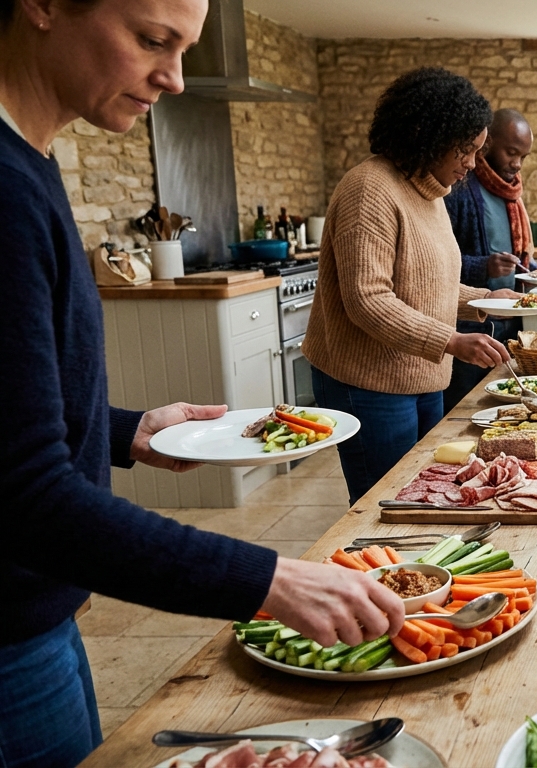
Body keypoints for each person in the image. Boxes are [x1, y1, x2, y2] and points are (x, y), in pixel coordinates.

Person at [0, 1, 404, 765]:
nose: (175, 78)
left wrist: (127, 430)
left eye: (186, 48)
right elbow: (26, 496)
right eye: (153, 40)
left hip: (39, 614)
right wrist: (269, 579)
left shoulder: (33, 158)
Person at [305, 67, 515, 504]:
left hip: (422, 374)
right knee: (387, 505)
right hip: (368, 382)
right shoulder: (370, 189)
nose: (472, 164)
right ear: (427, 135)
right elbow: (368, 300)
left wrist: (485, 300)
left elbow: (425, 286)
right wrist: (452, 340)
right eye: (465, 150)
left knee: (428, 495)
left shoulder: (431, 193)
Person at [443, 107, 536, 411]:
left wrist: (536, 273)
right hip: (469, 326)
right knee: (465, 411)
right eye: (511, 152)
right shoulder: (460, 188)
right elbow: (441, 261)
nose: (517, 163)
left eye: (523, 156)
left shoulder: (511, 192)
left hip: (506, 322)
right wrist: (484, 266)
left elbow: (517, 253)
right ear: (488, 142)